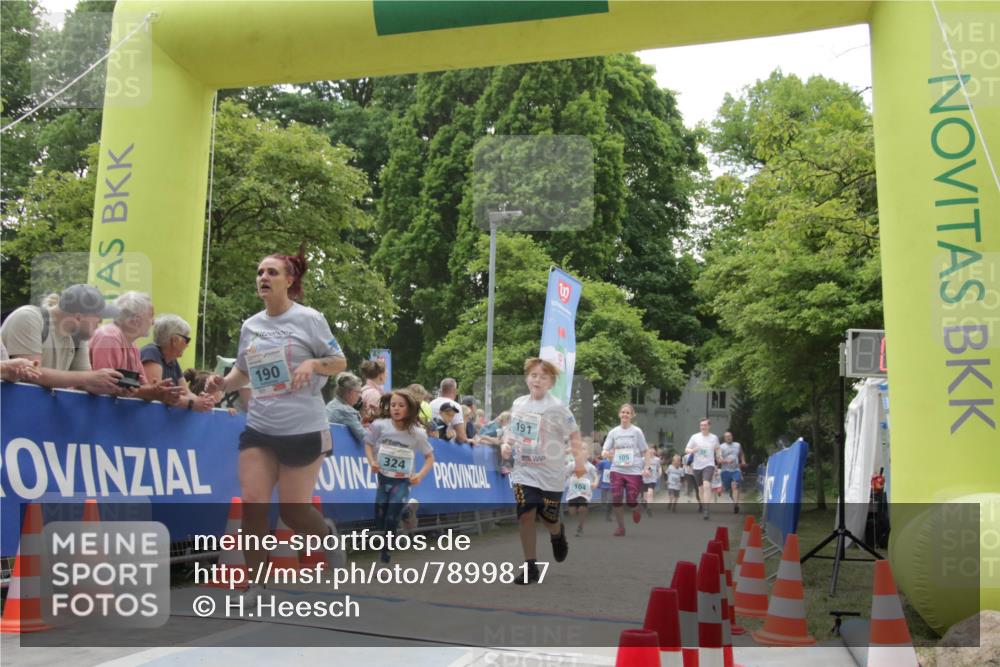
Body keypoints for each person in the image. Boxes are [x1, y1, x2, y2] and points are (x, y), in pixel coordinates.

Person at [204, 248, 348, 593]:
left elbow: (339, 362)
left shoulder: (309, 319)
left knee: (294, 512)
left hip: (303, 428)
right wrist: (223, 383)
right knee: (253, 503)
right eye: (259, 272)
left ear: (290, 280)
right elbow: (243, 371)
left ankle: (327, 536)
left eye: (271, 272)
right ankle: (256, 586)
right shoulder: (251, 325)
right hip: (261, 427)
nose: (263, 278)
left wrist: (312, 364)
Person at [501, 358, 585, 584]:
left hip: (550, 473)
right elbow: (511, 432)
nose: (537, 380)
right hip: (524, 470)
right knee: (526, 514)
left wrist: (579, 463)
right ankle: (531, 567)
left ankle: (557, 534)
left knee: (548, 517)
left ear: (551, 382)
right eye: (533, 375)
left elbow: (574, 434)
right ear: (527, 378)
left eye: (543, 376)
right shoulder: (519, 404)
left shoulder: (557, 407)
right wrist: (506, 444)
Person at [0, 284, 123, 394]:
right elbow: (32, 374)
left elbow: (84, 383)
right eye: (98, 316)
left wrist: (113, 388)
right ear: (79, 317)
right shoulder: (29, 317)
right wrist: (91, 377)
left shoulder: (78, 336)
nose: (100, 321)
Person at [364, 389, 435, 563]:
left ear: (410, 409)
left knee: (390, 515)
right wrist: (372, 461)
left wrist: (419, 475)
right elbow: (368, 443)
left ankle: (385, 552)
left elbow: (430, 457)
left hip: (402, 480)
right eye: (393, 405)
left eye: (401, 405)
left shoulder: (417, 433)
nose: (395, 408)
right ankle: (407, 510)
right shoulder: (380, 425)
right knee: (380, 514)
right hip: (383, 477)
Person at [89, 291, 186, 404]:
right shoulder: (109, 337)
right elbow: (106, 387)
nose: (153, 322)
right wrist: (154, 391)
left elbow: (143, 387)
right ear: (136, 320)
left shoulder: (132, 345)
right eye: (151, 316)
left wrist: (159, 392)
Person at [140, 314, 215, 411]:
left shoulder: (172, 361)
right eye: (187, 340)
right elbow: (157, 394)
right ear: (174, 340)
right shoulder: (151, 352)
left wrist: (204, 401)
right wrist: (193, 403)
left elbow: (186, 393)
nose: (187, 345)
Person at [602, 404, 648, 536]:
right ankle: (621, 527)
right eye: (623, 412)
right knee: (616, 498)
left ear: (632, 415)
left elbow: (645, 451)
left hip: (633, 470)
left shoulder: (637, 431)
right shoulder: (613, 432)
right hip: (617, 469)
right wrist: (605, 453)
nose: (625, 415)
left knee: (631, 500)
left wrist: (646, 467)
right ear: (619, 414)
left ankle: (635, 508)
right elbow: (605, 449)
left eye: (628, 413)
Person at [685, 418, 722, 520]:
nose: (703, 427)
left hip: (709, 465)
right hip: (697, 466)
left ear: (709, 426)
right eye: (701, 425)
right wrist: (692, 450)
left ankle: (706, 509)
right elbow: (686, 449)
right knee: (700, 489)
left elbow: (718, 448)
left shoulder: (713, 438)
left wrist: (719, 455)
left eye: (705, 425)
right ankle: (704, 505)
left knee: (706, 485)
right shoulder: (695, 437)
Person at [326, 372, 366, 444]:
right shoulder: (346, 411)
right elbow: (364, 437)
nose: (360, 396)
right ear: (350, 392)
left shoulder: (331, 404)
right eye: (358, 392)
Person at [564, 457, 599, 536]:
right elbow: (565, 474)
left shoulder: (590, 467)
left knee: (582, 508)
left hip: (585, 491)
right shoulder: (571, 464)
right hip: (573, 491)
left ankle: (580, 526)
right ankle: (581, 516)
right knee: (572, 512)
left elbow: (596, 476)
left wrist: (595, 483)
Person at [429, 378, 468, 444]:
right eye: (448, 414)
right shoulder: (456, 405)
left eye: (452, 415)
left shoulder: (431, 403)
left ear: (441, 390)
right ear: (455, 391)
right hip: (444, 449)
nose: (450, 417)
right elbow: (461, 437)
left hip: (429, 444)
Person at [719, 430, 747, 513]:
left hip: (736, 469)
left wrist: (743, 461)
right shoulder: (721, 447)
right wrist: (726, 461)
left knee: (735, 485)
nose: (728, 438)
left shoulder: (737, 445)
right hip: (725, 471)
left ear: (732, 437)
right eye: (726, 436)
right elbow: (718, 460)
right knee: (729, 489)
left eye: (730, 436)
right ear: (724, 438)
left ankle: (735, 505)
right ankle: (734, 500)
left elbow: (741, 453)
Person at [358, 358, 386, 425]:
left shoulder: (364, 389)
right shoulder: (373, 394)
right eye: (385, 373)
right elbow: (375, 419)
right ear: (381, 375)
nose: (386, 375)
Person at [641, 448, 662, 518]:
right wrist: (644, 472)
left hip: (653, 479)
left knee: (650, 493)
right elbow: (639, 469)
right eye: (650, 452)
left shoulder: (657, 460)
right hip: (644, 480)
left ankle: (649, 509)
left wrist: (659, 474)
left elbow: (659, 467)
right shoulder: (643, 459)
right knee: (645, 496)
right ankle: (644, 504)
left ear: (654, 452)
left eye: (653, 451)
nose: (651, 453)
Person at [595, 451, 613, 521]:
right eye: (611, 453)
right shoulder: (603, 462)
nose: (612, 455)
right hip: (603, 485)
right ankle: (605, 514)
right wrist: (597, 479)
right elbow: (596, 470)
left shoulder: (616, 464)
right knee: (604, 501)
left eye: (613, 453)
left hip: (612, 486)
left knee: (610, 500)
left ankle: (608, 516)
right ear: (607, 454)